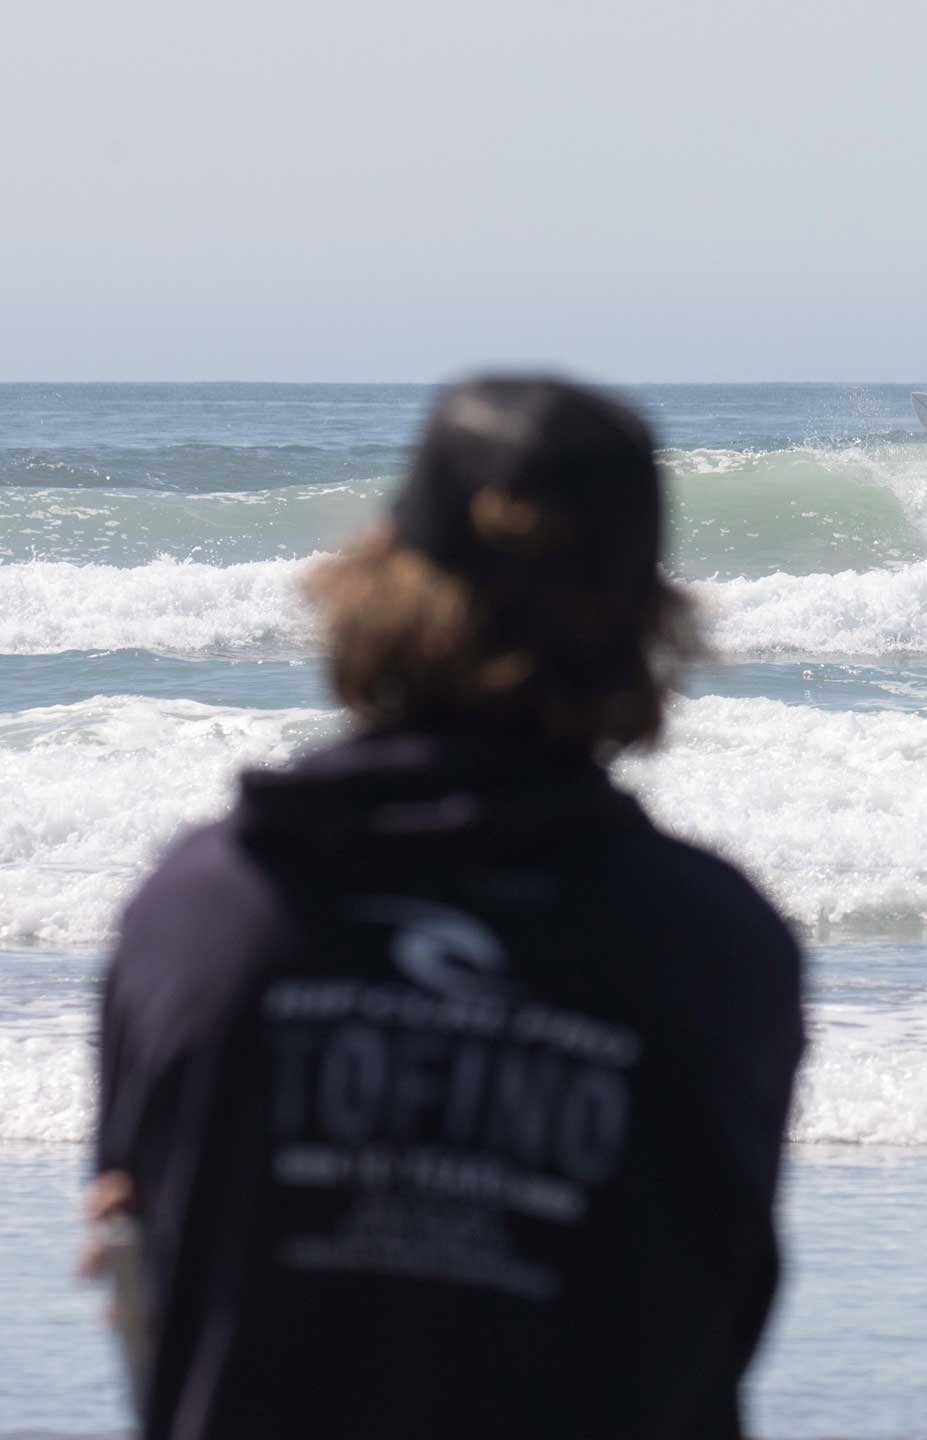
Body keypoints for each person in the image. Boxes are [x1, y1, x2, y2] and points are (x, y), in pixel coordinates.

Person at [85, 378, 805, 1440]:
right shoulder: (714, 946)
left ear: (378, 577)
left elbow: (131, 1257)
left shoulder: (205, 913)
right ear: (648, 621)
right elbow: (719, 1302)